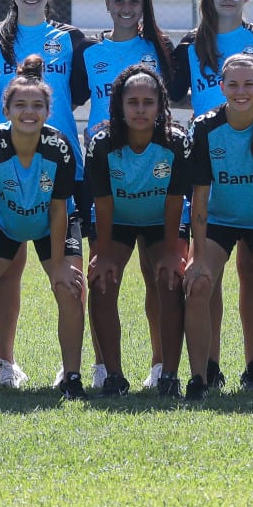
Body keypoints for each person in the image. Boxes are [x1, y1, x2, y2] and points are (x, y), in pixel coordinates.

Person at [71, 0, 185, 389]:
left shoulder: (160, 48)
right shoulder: (90, 53)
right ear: (105, 3)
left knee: (161, 280)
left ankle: (162, 367)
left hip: (153, 178)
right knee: (104, 276)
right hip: (109, 174)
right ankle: (106, 369)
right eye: (118, 0)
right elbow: (74, 97)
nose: (126, 7)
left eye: (134, 0)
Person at [175, 0, 253, 391]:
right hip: (214, 168)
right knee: (207, 279)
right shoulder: (192, 43)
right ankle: (208, 370)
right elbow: (175, 94)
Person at [0, 0, 91, 388]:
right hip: (5, 167)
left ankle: (75, 367)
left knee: (70, 271)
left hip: (61, 167)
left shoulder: (70, 39)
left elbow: (78, 95)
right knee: (5, 272)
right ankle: (5, 364)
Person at [0, 57, 85, 399]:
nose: (28, 112)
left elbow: (60, 209)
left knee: (70, 286)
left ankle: (71, 376)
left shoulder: (59, 148)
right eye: (20, 105)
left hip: (50, 222)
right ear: (6, 109)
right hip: (3, 221)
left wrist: (59, 262)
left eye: (36, 105)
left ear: (48, 110)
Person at [184, 52, 253, 401]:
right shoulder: (205, 127)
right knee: (199, 285)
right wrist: (197, 256)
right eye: (233, 84)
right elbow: (199, 198)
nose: (241, 91)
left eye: (249, 83)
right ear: (221, 87)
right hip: (218, 220)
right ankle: (200, 378)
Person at [85, 63, 190, 395]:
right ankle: (113, 375)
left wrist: (174, 252)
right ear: (119, 105)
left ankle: (169, 375)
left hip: (163, 222)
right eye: (133, 102)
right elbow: (102, 203)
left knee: (170, 279)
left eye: (148, 102)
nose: (141, 109)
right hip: (117, 221)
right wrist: (101, 255)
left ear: (160, 105)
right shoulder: (102, 144)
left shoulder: (175, 142)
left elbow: (175, 200)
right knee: (101, 281)